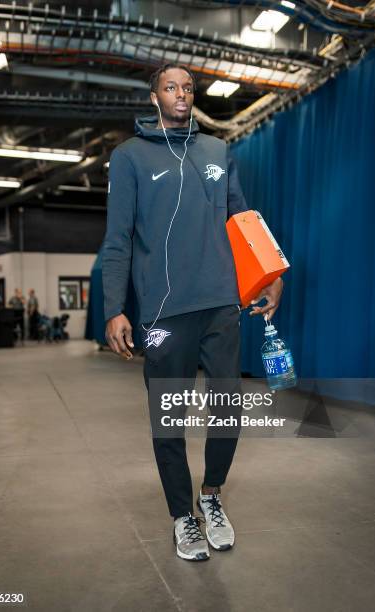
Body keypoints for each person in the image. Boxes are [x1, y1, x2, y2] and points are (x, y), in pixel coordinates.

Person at [102, 63, 283, 562]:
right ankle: (183, 516)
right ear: (154, 96)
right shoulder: (129, 158)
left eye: (187, 87)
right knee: (170, 419)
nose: (182, 94)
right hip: (163, 314)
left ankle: (212, 497)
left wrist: (270, 274)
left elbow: (242, 218)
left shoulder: (218, 151)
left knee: (228, 410)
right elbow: (117, 241)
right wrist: (114, 308)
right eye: (171, 87)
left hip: (221, 303)